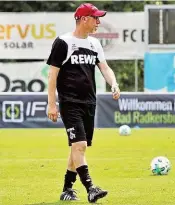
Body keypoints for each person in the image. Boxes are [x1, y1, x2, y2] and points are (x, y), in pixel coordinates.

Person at [46, 3, 120, 203]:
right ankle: (90, 188)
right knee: (79, 145)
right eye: (95, 18)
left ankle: (67, 189)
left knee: (77, 147)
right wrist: (51, 104)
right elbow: (52, 75)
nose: (99, 22)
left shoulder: (95, 44)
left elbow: (104, 68)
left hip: (89, 102)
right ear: (83, 19)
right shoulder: (63, 42)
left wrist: (113, 83)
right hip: (70, 102)